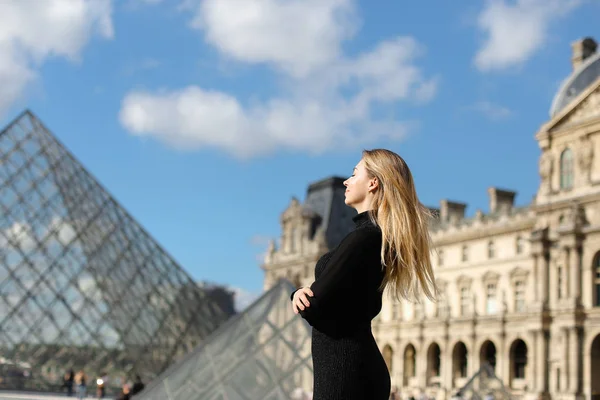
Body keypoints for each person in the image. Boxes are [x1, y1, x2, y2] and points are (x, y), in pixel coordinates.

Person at [291, 149, 438, 400]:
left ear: (373, 183)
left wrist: (299, 295)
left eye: (354, 173)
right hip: (354, 366)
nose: (347, 181)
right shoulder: (375, 236)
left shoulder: (363, 238)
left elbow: (314, 306)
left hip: (343, 371)